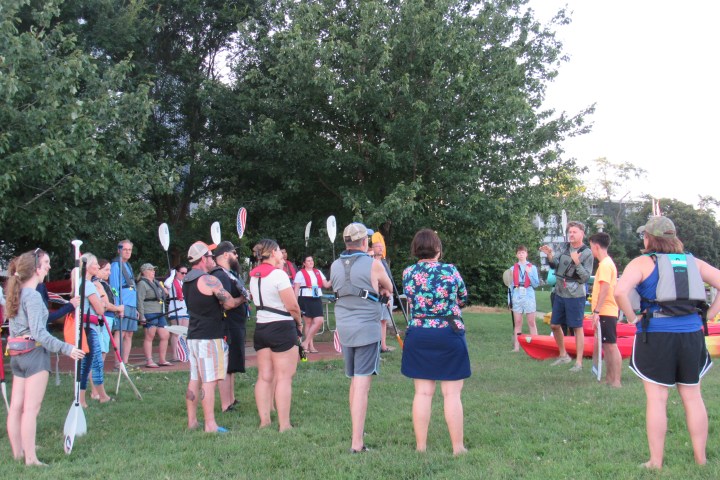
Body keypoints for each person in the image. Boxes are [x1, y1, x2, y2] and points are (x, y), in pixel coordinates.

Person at [615, 216, 720, 469]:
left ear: (649, 238)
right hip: (692, 334)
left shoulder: (642, 262)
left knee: (657, 398)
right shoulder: (694, 262)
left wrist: (632, 318)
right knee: (693, 396)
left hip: (656, 335)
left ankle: (656, 462)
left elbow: (619, 292)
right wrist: (711, 314)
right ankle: (701, 460)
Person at [5, 249, 85, 466]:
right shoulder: (31, 295)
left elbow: (15, 330)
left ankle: (19, 453)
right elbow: (40, 333)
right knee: (31, 409)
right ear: (36, 269)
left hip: (17, 355)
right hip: (33, 355)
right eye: (46, 263)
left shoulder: (17, 292)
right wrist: (67, 348)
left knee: (16, 408)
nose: (49, 267)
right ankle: (31, 459)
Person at [401, 229, 469, 455]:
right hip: (448, 332)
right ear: (438, 249)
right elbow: (463, 298)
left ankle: (421, 447)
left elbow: (411, 299)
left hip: (419, 333)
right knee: (451, 393)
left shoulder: (408, 273)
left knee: (422, 393)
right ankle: (457, 448)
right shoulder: (450, 270)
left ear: (415, 250)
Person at [330, 223, 392, 453]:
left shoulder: (335, 265)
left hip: (344, 329)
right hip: (366, 328)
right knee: (362, 384)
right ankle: (357, 443)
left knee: (354, 381)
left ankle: (358, 429)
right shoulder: (374, 264)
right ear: (364, 242)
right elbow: (388, 287)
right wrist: (382, 290)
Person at [248, 239, 302, 432]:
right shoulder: (279, 275)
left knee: (264, 376)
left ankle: (264, 421)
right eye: (279, 251)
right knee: (284, 377)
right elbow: (292, 305)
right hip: (281, 327)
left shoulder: (254, 276)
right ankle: (284, 424)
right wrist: (299, 322)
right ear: (272, 253)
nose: (281, 254)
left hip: (261, 327)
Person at [183, 241, 232, 433]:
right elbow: (228, 302)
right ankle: (210, 424)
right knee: (209, 381)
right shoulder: (208, 280)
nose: (212, 259)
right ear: (203, 259)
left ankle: (192, 421)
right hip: (210, 336)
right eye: (210, 256)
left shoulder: (187, 280)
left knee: (195, 378)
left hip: (194, 335)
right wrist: (242, 298)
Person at [539, 221, 594, 372]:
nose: (571, 234)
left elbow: (584, 277)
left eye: (574, 232)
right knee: (554, 325)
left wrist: (577, 262)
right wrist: (550, 254)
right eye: (570, 232)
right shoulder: (565, 248)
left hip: (575, 295)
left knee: (576, 327)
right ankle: (564, 355)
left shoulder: (587, 253)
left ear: (582, 234)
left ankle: (579, 363)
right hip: (560, 293)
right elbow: (556, 265)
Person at [211, 241, 249, 413]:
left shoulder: (229, 273)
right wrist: (244, 298)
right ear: (225, 255)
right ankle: (226, 405)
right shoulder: (220, 275)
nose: (237, 256)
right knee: (226, 365)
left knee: (232, 364)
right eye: (234, 253)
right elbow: (225, 303)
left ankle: (231, 399)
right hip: (227, 324)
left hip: (235, 323)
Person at [588, 232, 622, 387]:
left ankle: (616, 381)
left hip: (606, 311)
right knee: (607, 346)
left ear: (596, 246)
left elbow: (605, 287)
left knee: (611, 345)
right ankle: (609, 378)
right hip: (605, 311)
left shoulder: (606, 265)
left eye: (591, 247)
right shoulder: (605, 264)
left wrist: (596, 311)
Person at [77, 253, 110, 407]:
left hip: (85, 328)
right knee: (95, 362)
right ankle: (100, 396)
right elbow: (100, 308)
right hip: (90, 329)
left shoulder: (81, 282)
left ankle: (84, 399)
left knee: (87, 363)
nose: (98, 266)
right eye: (96, 264)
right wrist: (102, 305)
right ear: (88, 266)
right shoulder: (88, 285)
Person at [94, 258, 124, 396]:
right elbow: (104, 303)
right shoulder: (96, 283)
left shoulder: (102, 283)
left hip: (109, 318)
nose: (109, 273)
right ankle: (95, 391)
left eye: (110, 270)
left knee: (103, 351)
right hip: (103, 318)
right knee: (99, 353)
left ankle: (97, 389)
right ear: (97, 269)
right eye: (106, 269)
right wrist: (118, 308)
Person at [293, 255, 331, 354]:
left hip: (316, 297)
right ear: (304, 263)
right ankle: (310, 346)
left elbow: (326, 285)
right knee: (308, 322)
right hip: (305, 298)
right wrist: (295, 303)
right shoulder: (300, 273)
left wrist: (335, 277)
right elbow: (296, 288)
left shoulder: (318, 272)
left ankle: (305, 343)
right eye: (308, 261)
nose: (311, 262)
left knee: (319, 320)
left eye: (312, 260)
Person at [110, 240, 139, 367]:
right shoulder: (116, 265)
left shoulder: (128, 265)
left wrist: (136, 307)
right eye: (125, 249)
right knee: (120, 331)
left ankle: (125, 361)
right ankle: (118, 362)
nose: (127, 252)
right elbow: (114, 286)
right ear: (119, 250)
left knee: (129, 333)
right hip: (123, 303)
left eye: (130, 250)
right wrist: (117, 305)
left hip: (131, 303)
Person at [136, 263, 171, 368]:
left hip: (159, 311)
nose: (153, 272)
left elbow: (165, 294)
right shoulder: (142, 284)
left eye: (153, 270)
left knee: (165, 335)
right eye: (150, 270)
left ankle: (162, 359)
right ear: (144, 272)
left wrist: (164, 290)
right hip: (149, 311)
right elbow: (139, 300)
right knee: (149, 335)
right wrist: (142, 316)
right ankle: (149, 360)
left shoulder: (156, 282)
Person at [508, 245, 539, 352]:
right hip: (517, 296)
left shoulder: (533, 268)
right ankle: (516, 347)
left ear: (526, 254)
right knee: (518, 321)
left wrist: (529, 273)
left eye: (523, 252)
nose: (521, 254)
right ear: (516, 255)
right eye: (519, 253)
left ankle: (536, 345)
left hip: (529, 295)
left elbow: (535, 284)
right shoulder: (512, 269)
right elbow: (510, 286)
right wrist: (509, 301)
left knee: (531, 321)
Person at [371, 241, 395, 352]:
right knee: (375, 320)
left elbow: (388, 279)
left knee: (384, 320)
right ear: (372, 248)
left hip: (387, 295)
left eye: (382, 247)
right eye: (378, 246)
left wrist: (389, 291)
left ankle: (383, 346)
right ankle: (375, 346)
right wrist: (381, 288)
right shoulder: (371, 262)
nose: (381, 248)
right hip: (377, 295)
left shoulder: (384, 262)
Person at [164, 264, 189, 362]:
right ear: (177, 273)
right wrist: (172, 274)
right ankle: (175, 354)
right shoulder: (172, 282)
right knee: (176, 332)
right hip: (175, 308)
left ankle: (183, 352)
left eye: (186, 273)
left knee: (184, 332)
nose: (184, 275)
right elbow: (166, 285)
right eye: (182, 273)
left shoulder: (183, 282)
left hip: (184, 308)